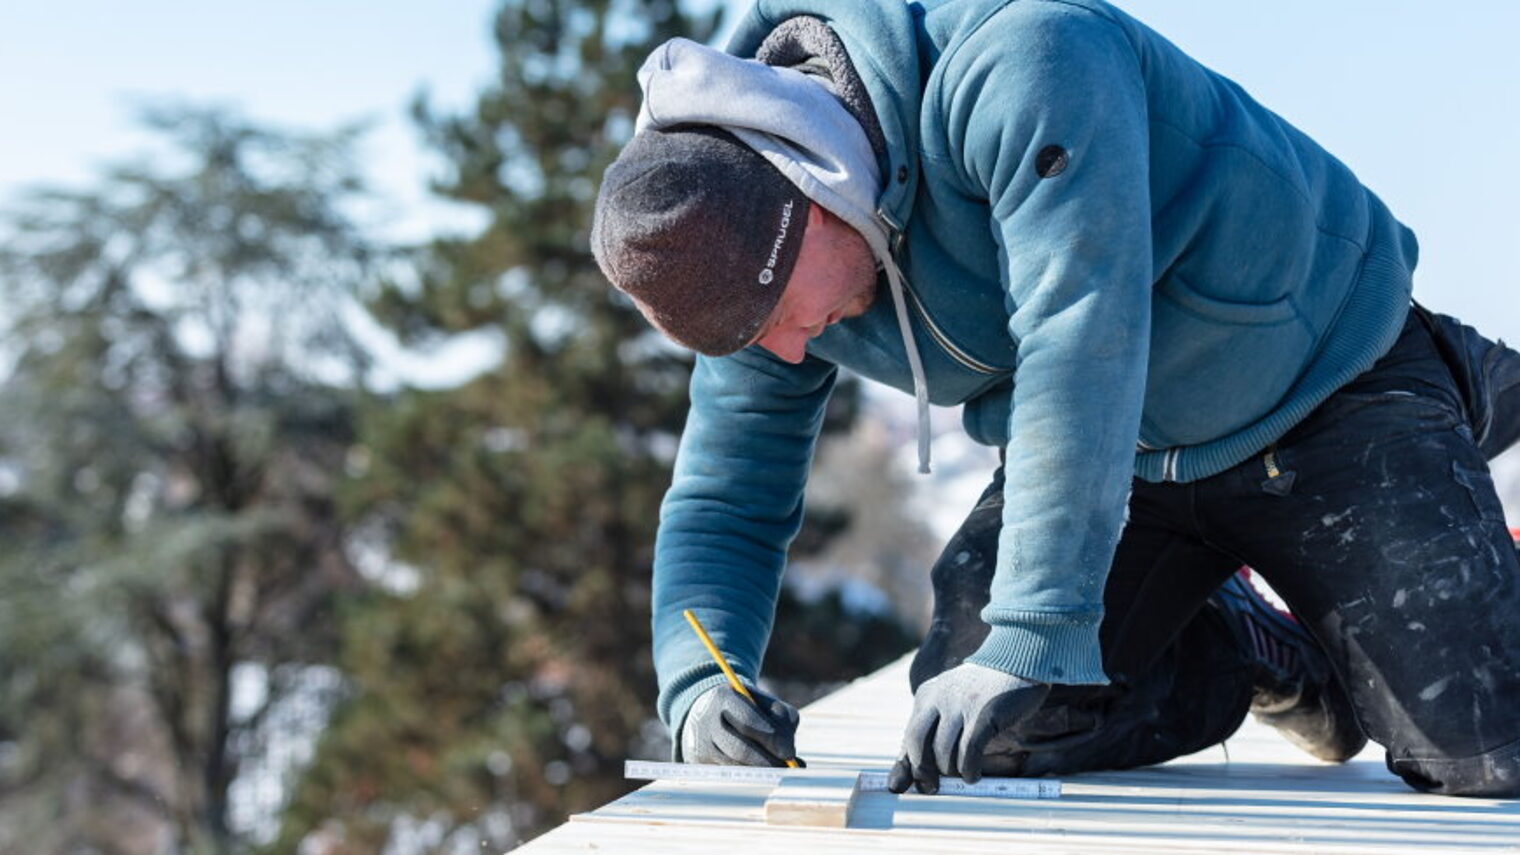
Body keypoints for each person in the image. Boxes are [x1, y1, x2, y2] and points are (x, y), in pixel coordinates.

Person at [589, 0, 1520, 797]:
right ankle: (1254, 647)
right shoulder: (742, 240)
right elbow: (726, 497)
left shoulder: (1024, 61)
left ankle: (1452, 380)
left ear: (821, 194)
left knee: (1486, 747)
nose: (792, 350)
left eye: (787, 316)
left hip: (1320, 381)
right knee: (981, 730)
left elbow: (1082, 345)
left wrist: (1035, 631)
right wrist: (698, 687)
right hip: (1123, 466)